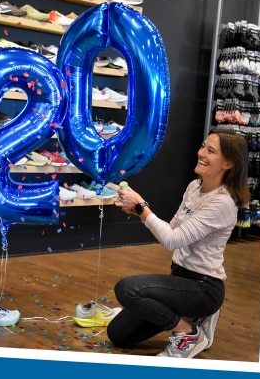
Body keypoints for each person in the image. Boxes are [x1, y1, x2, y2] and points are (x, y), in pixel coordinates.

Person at [108, 129, 251, 358]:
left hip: (203, 288)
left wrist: (142, 207)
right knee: (118, 333)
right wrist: (138, 211)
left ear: (228, 163)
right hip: (179, 278)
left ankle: (188, 332)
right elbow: (173, 229)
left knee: (127, 289)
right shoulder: (195, 187)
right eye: (203, 146)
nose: (201, 153)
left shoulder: (223, 202)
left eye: (211, 151)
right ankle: (192, 317)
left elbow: (171, 241)